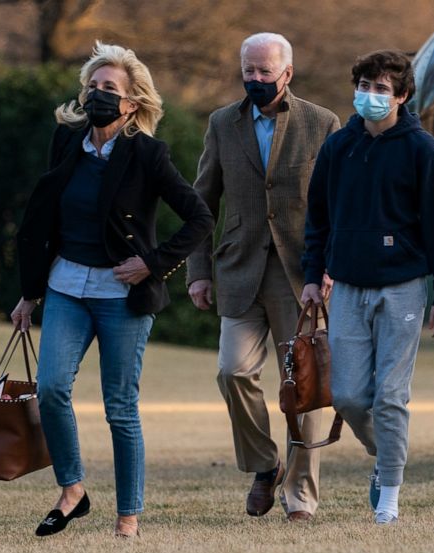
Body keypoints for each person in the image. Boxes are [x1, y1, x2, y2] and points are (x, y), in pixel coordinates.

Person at [10, 41, 214, 537]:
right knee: (51, 389)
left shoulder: (148, 154)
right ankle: (72, 491)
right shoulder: (66, 140)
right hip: (66, 287)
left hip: (122, 297)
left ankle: (128, 516)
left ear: (131, 102)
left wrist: (153, 263)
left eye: (109, 88)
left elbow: (200, 218)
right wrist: (29, 292)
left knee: (120, 408)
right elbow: (45, 218)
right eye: (93, 86)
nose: (98, 94)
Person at [301, 50, 434, 525]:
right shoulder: (338, 147)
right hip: (348, 287)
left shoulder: (422, 150)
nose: (369, 96)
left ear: (402, 96)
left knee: (391, 396)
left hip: (403, 287)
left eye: (380, 89)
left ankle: (389, 497)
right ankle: (385, 453)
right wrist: (312, 275)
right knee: (349, 397)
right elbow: (318, 218)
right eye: (364, 86)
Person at [185, 32, 339, 522]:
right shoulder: (221, 123)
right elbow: (202, 201)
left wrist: (329, 266)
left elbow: (337, 204)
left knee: (306, 389)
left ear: (287, 73)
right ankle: (265, 464)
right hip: (239, 270)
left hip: (303, 277)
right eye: (247, 70)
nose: (254, 78)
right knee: (232, 371)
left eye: (264, 71)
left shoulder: (322, 123)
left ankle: (301, 497)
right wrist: (197, 271)